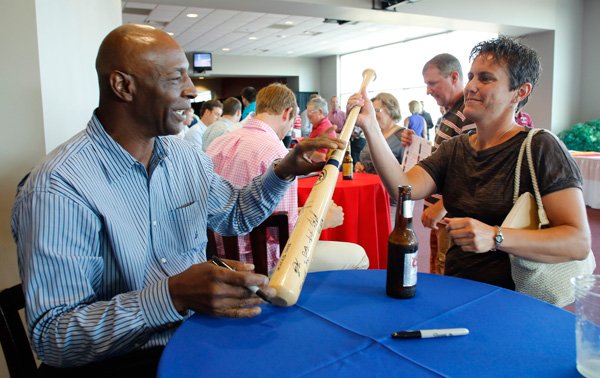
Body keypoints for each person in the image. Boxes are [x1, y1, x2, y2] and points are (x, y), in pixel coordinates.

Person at [11, 24, 344, 374]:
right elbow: (54, 336)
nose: (191, 90)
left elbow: (235, 213)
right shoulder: (59, 187)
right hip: (121, 360)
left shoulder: (183, 156)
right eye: (175, 78)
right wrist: (172, 296)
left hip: (196, 335)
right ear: (123, 86)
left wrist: (283, 170)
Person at [349, 36, 590, 291]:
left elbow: (577, 241)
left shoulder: (541, 146)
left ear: (520, 91)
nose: (471, 86)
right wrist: (371, 128)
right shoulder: (456, 148)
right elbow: (404, 187)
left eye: (485, 78)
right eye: (472, 76)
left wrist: (495, 237)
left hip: (513, 299)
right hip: (458, 288)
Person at [206, 83, 368, 274]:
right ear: (287, 112)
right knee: (359, 255)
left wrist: (299, 212)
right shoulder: (278, 154)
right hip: (262, 263)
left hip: (217, 260)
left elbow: (260, 212)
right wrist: (323, 220)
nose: (290, 128)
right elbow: (286, 236)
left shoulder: (216, 144)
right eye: (293, 121)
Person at [402, 53, 476, 275]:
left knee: (445, 268)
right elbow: (445, 157)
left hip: (450, 213)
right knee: (437, 264)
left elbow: (470, 166)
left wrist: (443, 205)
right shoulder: (451, 113)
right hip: (442, 211)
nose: (428, 90)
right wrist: (417, 143)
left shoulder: (467, 113)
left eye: (432, 83)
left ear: (454, 77)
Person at [355, 93, 404, 174]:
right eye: (371, 111)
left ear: (391, 111)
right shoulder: (374, 134)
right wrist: (362, 166)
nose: (372, 115)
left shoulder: (403, 136)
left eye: (376, 111)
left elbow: (409, 170)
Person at [307, 96, 337, 161]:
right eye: (307, 112)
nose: (308, 115)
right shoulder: (320, 125)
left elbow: (321, 157)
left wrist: (303, 150)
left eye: (310, 112)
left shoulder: (323, 129)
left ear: (320, 112)